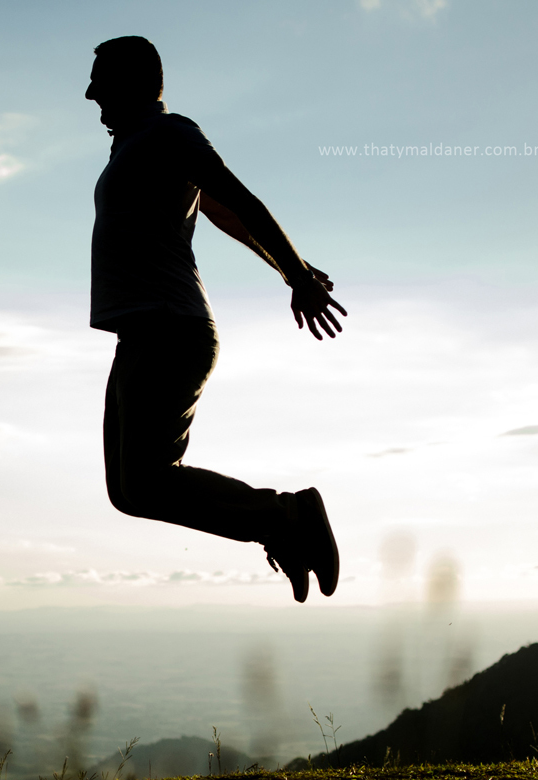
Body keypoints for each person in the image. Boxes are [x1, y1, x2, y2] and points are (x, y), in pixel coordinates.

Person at [86, 36, 347, 603]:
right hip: (137, 335)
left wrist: (297, 276)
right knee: (130, 491)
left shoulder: (170, 132)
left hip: (169, 328)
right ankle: (283, 524)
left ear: (134, 82)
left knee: (149, 480)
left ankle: (289, 516)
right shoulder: (134, 146)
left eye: (99, 80)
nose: (89, 94)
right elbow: (221, 211)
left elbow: (241, 198)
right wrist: (290, 265)